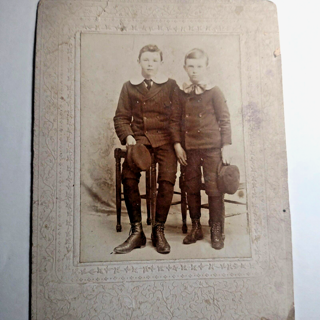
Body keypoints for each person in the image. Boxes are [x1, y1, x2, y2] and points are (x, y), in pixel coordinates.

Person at [113, 44, 177, 254]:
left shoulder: (170, 85)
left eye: (154, 60)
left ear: (160, 63)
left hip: (166, 140)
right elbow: (121, 117)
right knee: (128, 174)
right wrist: (129, 137)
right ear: (139, 61)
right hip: (140, 140)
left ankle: (158, 230)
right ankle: (136, 231)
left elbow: (177, 118)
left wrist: (176, 143)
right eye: (146, 60)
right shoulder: (129, 86)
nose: (150, 64)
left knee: (167, 178)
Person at [170, 48, 232, 249]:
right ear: (185, 68)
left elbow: (224, 119)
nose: (194, 70)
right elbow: (173, 120)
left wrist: (226, 146)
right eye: (191, 66)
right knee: (191, 188)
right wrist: (178, 145)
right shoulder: (180, 92)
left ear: (206, 67)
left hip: (212, 148)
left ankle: (216, 229)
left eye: (199, 66)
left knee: (214, 190)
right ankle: (196, 226)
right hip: (190, 149)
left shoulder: (214, 91)